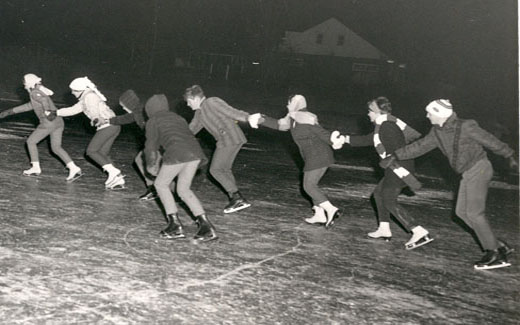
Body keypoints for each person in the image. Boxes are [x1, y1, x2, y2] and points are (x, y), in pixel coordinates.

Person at [381, 99, 517, 270]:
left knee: (474, 213)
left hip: (480, 168)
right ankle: (497, 244)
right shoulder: (437, 132)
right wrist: (396, 155)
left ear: (439, 114)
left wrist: (510, 156)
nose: (427, 115)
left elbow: (489, 140)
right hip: (467, 173)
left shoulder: (466, 126)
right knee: (461, 212)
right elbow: (419, 146)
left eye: (430, 113)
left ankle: (495, 253)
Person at [332, 97, 432, 249]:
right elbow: (369, 139)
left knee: (388, 200)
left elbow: (396, 150)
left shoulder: (387, 127)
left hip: (398, 168)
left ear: (377, 112)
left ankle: (419, 231)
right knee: (378, 195)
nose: (368, 114)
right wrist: (345, 139)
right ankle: (384, 229)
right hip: (395, 166)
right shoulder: (384, 125)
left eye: (370, 111)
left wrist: (390, 161)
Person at [259, 94, 341, 228]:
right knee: (311, 184)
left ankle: (331, 209)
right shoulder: (293, 118)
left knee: (308, 186)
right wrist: (261, 119)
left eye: (289, 103)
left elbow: (320, 132)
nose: (287, 106)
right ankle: (319, 215)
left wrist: (333, 140)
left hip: (319, 156)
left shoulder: (305, 117)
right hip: (312, 157)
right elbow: (279, 125)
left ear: (296, 103)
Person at [144, 94, 217, 242]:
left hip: (177, 153)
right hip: (195, 153)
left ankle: (175, 226)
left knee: (160, 184)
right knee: (183, 189)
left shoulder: (153, 120)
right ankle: (206, 227)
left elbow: (150, 146)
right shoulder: (178, 118)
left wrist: (151, 165)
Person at [183, 85, 262, 214]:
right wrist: (175, 136)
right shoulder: (199, 113)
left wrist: (248, 117)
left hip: (229, 138)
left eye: (189, 101)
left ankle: (237, 197)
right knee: (224, 169)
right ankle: (236, 198)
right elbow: (191, 130)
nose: (187, 104)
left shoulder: (211, 102)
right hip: (228, 140)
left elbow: (231, 111)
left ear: (196, 99)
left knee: (215, 170)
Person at [0, 74, 82, 181]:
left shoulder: (35, 92)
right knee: (56, 147)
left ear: (29, 82)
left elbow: (43, 100)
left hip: (48, 122)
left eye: (25, 82)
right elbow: (29, 106)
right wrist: (8, 112)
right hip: (58, 121)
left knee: (31, 142)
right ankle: (74, 168)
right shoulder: (37, 93)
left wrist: (47, 111)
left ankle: (35, 168)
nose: (24, 84)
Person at [57, 77, 124, 189]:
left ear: (81, 90)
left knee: (91, 151)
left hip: (107, 126)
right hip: (114, 126)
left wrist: (95, 118)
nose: (72, 93)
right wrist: (56, 112)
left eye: (74, 90)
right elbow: (72, 110)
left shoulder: (89, 97)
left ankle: (114, 172)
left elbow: (94, 110)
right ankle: (118, 179)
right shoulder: (86, 97)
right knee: (102, 153)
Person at [100, 89, 156, 200]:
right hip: (154, 142)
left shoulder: (142, 113)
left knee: (149, 163)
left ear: (130, 104)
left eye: (124, 106)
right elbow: (124, 118)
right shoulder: (137, 112)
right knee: (141, 160)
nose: (123, 109)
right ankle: (154, 188)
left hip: (159, 142)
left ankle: (161, 189)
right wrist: (108, 121)